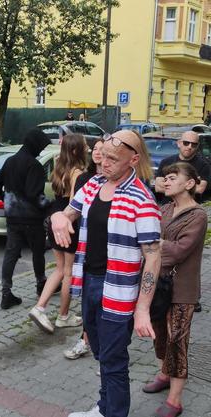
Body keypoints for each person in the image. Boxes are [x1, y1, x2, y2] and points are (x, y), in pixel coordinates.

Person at [51, 129, 161, 417]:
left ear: (133, 159)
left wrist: (142, 309)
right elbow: (68, 212)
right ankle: (104, 407)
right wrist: (57, 218)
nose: (103, 163)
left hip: (118, 291)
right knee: (100, 351)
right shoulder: (94, 185)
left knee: (113, 360)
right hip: (88, 282)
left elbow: (153, 257)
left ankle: (114, 413)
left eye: (112, 158)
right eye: (102, 157)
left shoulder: (142, 200)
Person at [142, 162, 207, 417]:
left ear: (189, 183)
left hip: (182, 289)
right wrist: (154, 246)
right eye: (164, 178)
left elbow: (179, 251)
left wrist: (153, 247)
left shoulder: (198, 215)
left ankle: (175, 400)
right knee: (160, 335)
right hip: (160, 286)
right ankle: (164, 373)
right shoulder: (165, 208)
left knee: (177, 340)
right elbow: (150, 240)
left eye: (172, 177)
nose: (165, 181)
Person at [28, 134, 87, 333]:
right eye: (85, 145)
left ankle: (40, 307)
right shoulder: (77, 172)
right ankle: (63, 316)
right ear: (76, 149)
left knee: (59, 269)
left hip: (55, 220)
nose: (87, 148)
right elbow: (74, 203)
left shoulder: (58, 168)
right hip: (68, 224)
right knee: (68, 271)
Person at [0, 128, 51, 310]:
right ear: (35, 145)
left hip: (12, 219)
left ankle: (6, 293)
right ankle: (41, 286)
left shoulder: (10, 161)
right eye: (41, 147)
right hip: (32, 220)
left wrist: (6, 200)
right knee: (38, 252)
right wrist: (51, 206)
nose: (41, 151)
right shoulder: (34, 165)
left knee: (11, 254)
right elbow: (35, 194)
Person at [63, 138, 103, 360]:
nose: (99, 154)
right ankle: (87, 341)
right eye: (96, 149)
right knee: (89, 308)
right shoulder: (87, 180)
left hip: (113, 263)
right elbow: (72, 208)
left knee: (108, 316)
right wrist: (60, 218)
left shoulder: (132, 189)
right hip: (87, 251)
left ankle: (106, 355)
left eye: (103, 151)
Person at [155, 131, 210, 201]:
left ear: (198, 146)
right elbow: (158, 187)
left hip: (190, 209)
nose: (190, 147)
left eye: (194, 144)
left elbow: (200, 189)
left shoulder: (204, 165)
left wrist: (170, 186)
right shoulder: (166, 162)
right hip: (167, 207)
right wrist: (189, 186)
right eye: (186, 143)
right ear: (179, 143)